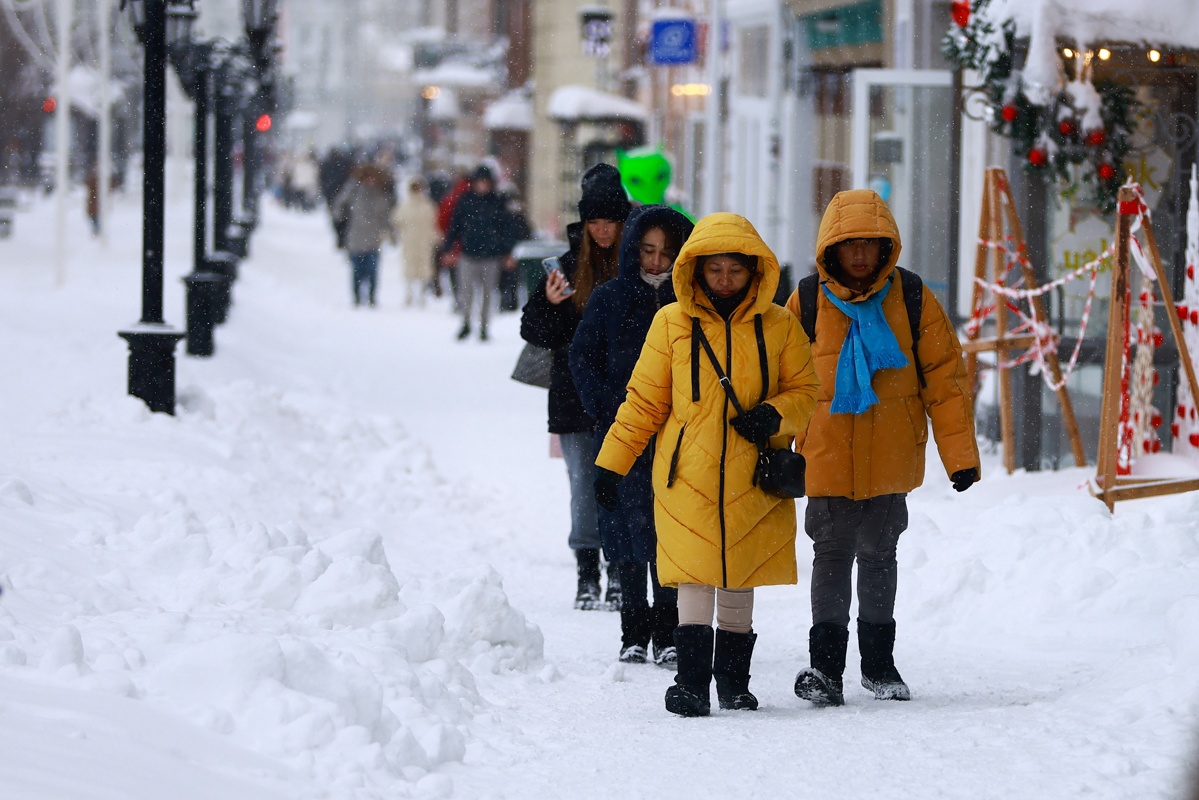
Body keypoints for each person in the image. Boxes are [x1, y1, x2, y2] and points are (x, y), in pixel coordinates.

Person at [593, 212, 820, 716]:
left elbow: (807, 392)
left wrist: (774, 414)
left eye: (735, 270)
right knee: (693, 577)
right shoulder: (670, 323)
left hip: (753, 473)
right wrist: (611, 464)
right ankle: (691, 684)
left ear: (754, 270)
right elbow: (644, 402)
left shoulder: (780, 325)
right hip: (686, 475)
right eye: (714, 269)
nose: (724, 280)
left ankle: (735, 685)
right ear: (696, 269)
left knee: (739, 577)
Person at [784, 189, 980, 707]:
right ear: (831, 249)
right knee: (830, 556)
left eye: (870, 244)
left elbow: (946, 380)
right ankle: (826, 669)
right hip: (825, 454)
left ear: (885, 246)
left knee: (878, 556)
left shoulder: (912, 296)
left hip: (891, 454)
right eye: (849, 245)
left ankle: (879, 665)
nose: (860, 254)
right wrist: (774, 452)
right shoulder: (806, 301)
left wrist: (960, 457)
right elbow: (782, 382)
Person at [570, 205, 694, 666]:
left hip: (678, 436)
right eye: (648, 250)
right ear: (633, 250)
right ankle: (633, 631)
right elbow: (582, 356)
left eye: (666, 252)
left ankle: (668, 630)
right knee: (625, 531)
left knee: (669, 532)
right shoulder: (611, 297)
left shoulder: (691, 304)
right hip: (622, 430)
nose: (656, 261)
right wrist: (606, 405)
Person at [521, 163, 630, 611]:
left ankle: (621, 572)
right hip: (574, 396)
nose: (602, 230)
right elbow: (534, 331)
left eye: (610, 221)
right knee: (584, 486)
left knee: (624, 485)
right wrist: (551, 304)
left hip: (628, 398)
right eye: (595, 222)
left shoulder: (639, 266)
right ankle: (588, 575)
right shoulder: (564, 268)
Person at [443, 165, 518, 340]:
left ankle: (484, 326)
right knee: (466, 292)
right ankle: (466, 323)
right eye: (480, 181)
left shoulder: (498, 202)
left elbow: (507, 229)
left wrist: (507, 252)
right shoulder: (465, 200)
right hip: (468, 254)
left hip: (491, 256)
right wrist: (448, 248)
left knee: (487, 293)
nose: (483, 185)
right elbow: (455, 226)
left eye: (486, 181)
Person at [331, 164, 395, 307]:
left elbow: (386, 215)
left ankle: (372, 297)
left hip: (373, 238)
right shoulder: (354, 191)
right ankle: (357, 297)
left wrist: (388, 232)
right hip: (356, 237)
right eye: (368, 177)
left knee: (372, 271)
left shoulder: (380, 194)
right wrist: (340, 220)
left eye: (373, 178)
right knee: (357, 270)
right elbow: (339, 206)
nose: (370, 180)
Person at [391, 176, 440, 307]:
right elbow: (397, 221)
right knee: (409, 268)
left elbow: (434, 222)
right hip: (409, 241)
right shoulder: (405, 206)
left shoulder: (428, 205)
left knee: (424, 268)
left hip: (424, 241)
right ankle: (409, 294)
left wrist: (434, 238)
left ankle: (422, 295)